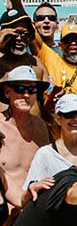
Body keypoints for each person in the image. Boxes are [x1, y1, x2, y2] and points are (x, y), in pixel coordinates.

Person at [22, 94, 77, 197]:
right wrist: (33, 188)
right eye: (69, 115)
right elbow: (27, 195)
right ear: (58, 119)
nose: (75, 119)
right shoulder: (45, 154)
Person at [0, 66, 50, 214]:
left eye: (32, 90)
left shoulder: (40, 126)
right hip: (6, 211)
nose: (26, 95)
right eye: (20, 89)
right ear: (7, 92)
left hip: (35, 209)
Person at [30, 22, 77, 113]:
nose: (73, 43)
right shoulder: (50, 58)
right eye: (68, 40)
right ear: (60, 45)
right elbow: (31, 32)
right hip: (52, 125)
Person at [0, 2, 49, 81]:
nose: (19, 38)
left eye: (24, 34)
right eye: (15, 34)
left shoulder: (37, 64)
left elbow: (48, 91)